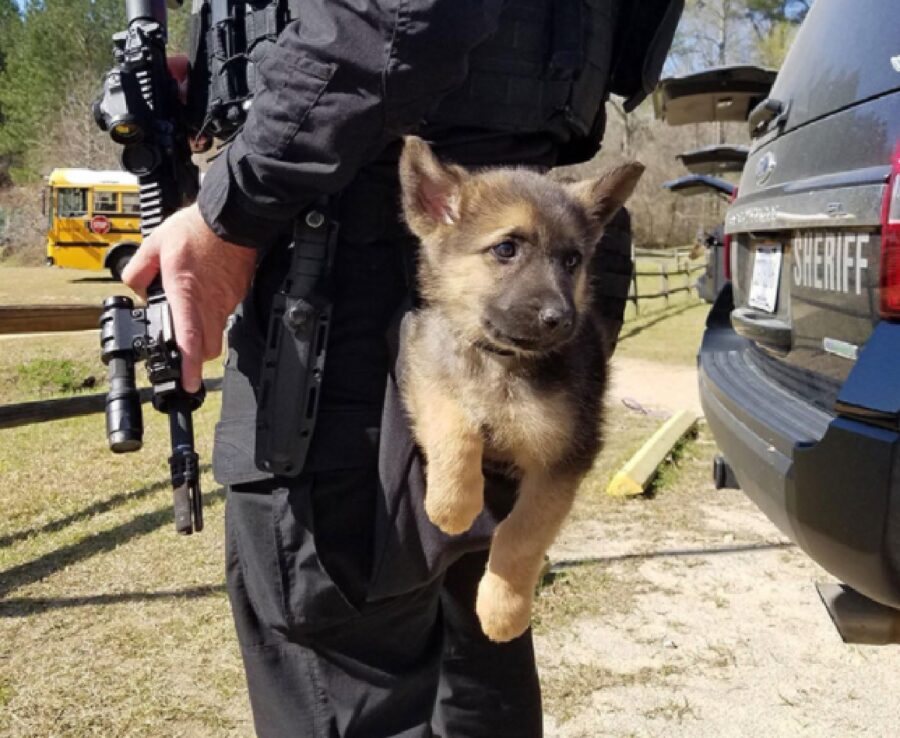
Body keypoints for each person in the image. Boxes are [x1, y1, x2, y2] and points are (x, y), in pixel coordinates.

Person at [123, 1, 684, 735]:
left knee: (351, 653)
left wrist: (239, 196)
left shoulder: (458, 217)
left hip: (354, 269)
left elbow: (404, 13)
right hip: (436, 237)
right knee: (478, 662)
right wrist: (216, 90)